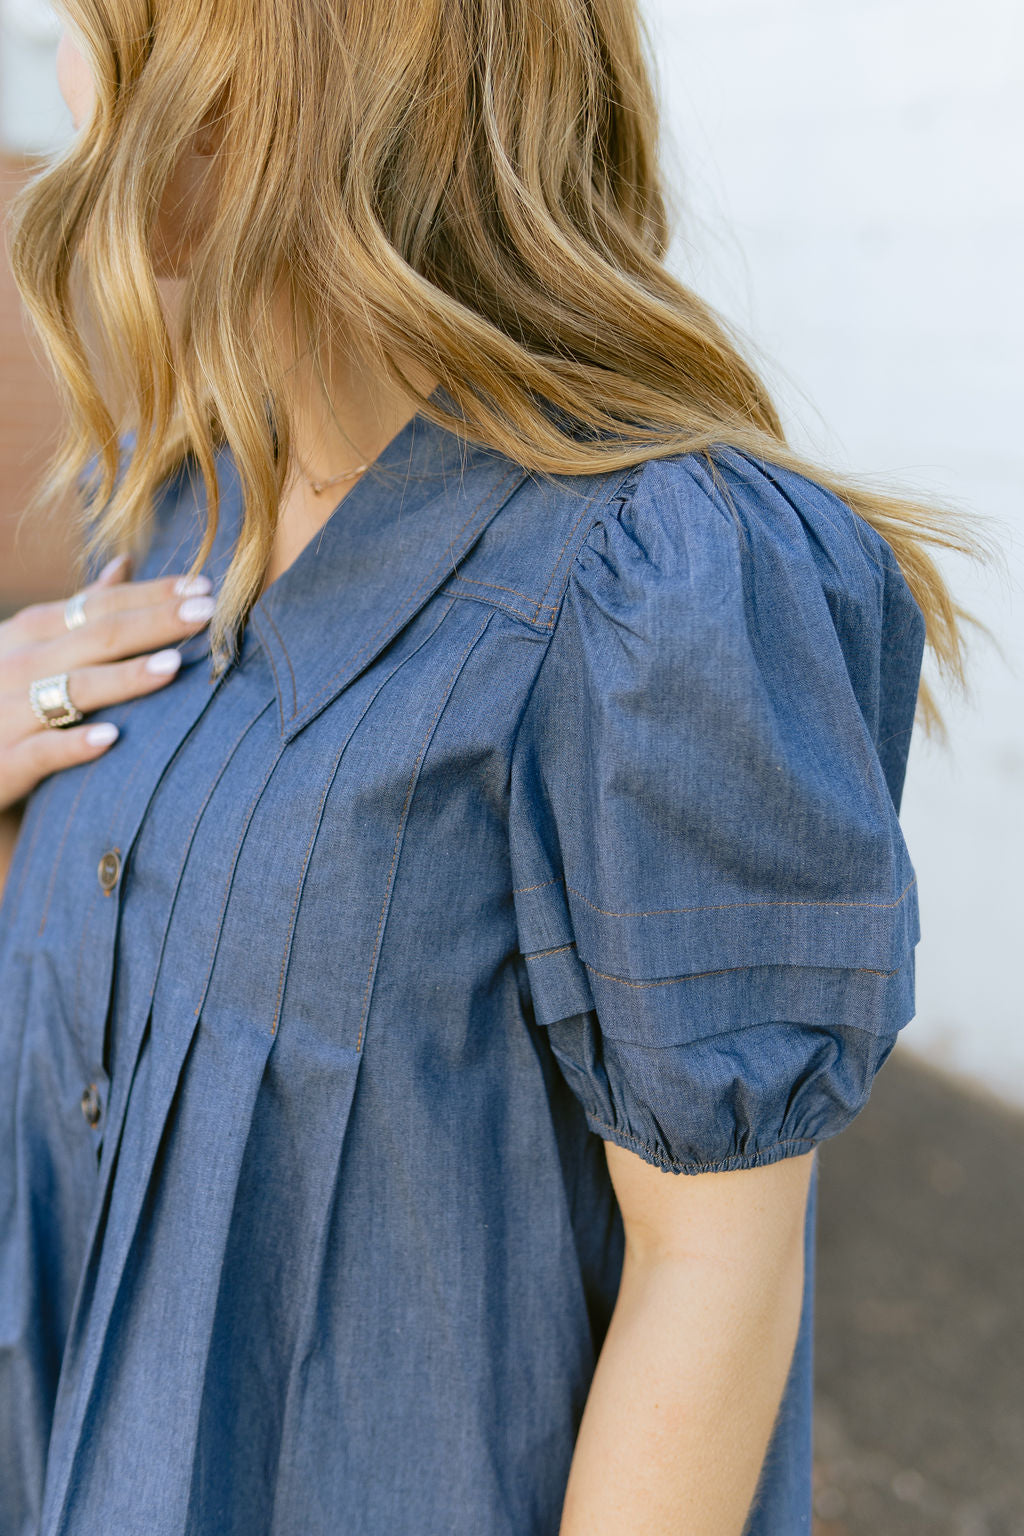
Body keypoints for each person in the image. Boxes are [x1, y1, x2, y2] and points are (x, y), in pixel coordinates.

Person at [0, 2, 992, 1533]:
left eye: (88, 24)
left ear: (264, 79)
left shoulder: (667, 577)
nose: (68, 80)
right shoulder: (185, 499)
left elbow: (710, 1269)